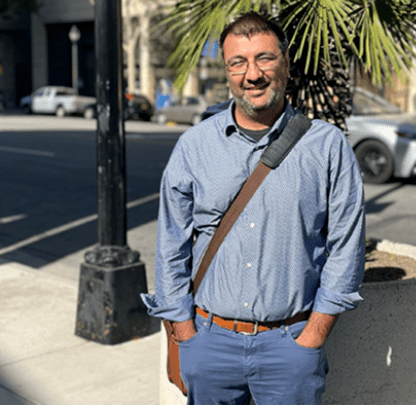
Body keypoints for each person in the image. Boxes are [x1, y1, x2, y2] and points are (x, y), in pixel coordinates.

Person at [142, 11, 365, 404]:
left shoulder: (327, 147)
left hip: (290, 347)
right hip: (210, 344)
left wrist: (312, 337)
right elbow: (170, 246)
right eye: (238, 62)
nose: (253, 74)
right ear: (226, 71)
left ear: (286, 63)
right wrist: (185, 335)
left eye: (264, 58)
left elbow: (347, 248)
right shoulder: (195, 147)